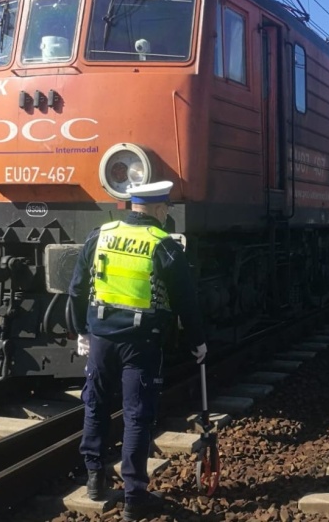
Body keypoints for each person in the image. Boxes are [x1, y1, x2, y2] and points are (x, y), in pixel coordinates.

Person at [68, 181, 207, 521]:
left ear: (132, 205)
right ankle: (134, 496)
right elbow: (186, 300)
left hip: (100, 339)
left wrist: (80, 330)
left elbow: (77, 287)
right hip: (141, 344)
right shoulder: (163, 245)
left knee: (96, 405)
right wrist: (197, 341)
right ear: (158, 208)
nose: (166, 213)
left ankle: (95, 481)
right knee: (136, 415)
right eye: (166, 208)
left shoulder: (100, 234)